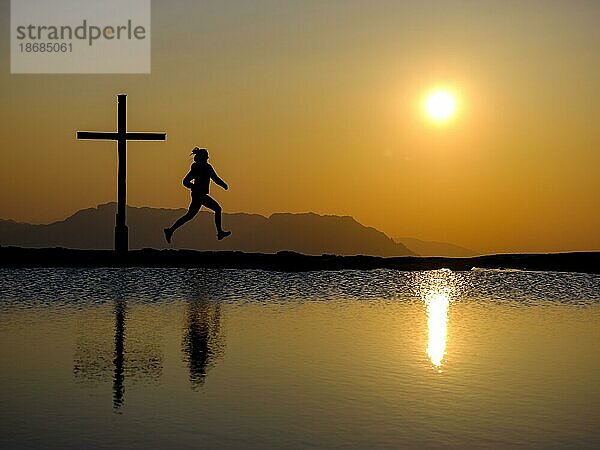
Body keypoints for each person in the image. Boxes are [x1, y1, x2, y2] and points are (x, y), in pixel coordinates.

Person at [164, 147, 231, 243]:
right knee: (217, 209)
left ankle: (170, 230)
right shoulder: (205, 167)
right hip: (199, 195)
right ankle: (220, 232)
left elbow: (186, 181)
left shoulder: (196, 167)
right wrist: (224, 185)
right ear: (203, 157)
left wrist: (193, 187)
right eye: (206, 156)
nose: (208, 158)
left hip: (197, 195)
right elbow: (214, 178)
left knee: (189, 216)